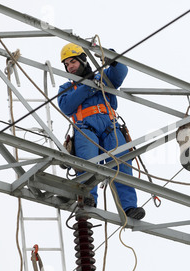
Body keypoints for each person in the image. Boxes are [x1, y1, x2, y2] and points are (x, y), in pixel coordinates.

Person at [57, 43, 145, 220]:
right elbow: (66, 106)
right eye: (66, 64)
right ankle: (89, 198)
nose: (69, 67)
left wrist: (110, 56)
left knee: (122, 164)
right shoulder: (67, 87)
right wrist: (89, 86)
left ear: (83, 60)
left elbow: (121, 71)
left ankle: (129, 208)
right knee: (88, 164)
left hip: (110, 127)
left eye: (73, 61)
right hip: (85, 129)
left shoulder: (104, 78)